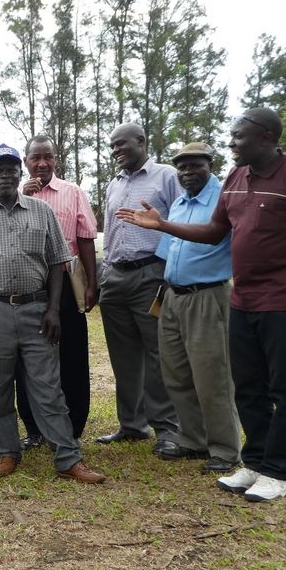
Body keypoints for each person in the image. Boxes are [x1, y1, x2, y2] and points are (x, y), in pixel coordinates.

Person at [117, 108, 286, 502]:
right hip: (239, 299)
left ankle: (279, 471)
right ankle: (253, 463)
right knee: (247, 385)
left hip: (284, 301)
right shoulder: (238, 180)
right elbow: (216, 231)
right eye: (232, 136)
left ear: (268, 137)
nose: (233, 142)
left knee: (281, 388)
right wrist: (162, 225)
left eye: (239, 136)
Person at [0, 144, 105, 484]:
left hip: (36, 309)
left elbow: (59, 261)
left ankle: (67, 457)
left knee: (47, 385)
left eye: (11, 169)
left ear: (20, 173)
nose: (5, 175)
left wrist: (54, 309)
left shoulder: (41, 212)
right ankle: (8, 452)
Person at [147, 142, 241, 474]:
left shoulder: (223, 199)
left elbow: (215, 237)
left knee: (212, 376)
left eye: (194, 165)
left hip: (207, 296)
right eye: (182, 167)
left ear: (210, 165)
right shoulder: (178, 202)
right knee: (176, 373)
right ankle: (192, 439)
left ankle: (225, 449)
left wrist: (161, 225)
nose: (187, 172)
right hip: (173, 296)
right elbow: (168, 250)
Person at [97, 123, 180, 453]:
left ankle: (167, 427)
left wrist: (166, 269)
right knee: (123, 356)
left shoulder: (166, 176)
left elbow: (181, 222)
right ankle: (132, 424)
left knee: (157, 353)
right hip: (114, 276)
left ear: (142, 141)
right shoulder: (114, 183)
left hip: (150, 275)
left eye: (122, 144)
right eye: (112, 145)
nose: (117, 150)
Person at [15, 135, 98, 447]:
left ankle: (72, 427)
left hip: (65, 284)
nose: (42, 163)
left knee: (71, 354)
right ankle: (34, 429)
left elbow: (86, 238)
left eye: (47, 157)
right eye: (35, 158)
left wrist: (92, 283)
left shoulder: (72, 192)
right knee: (28, 358)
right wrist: (22, 196)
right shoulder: (18, 193)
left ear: (55, 159)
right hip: (28, 285)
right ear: (26, 162)